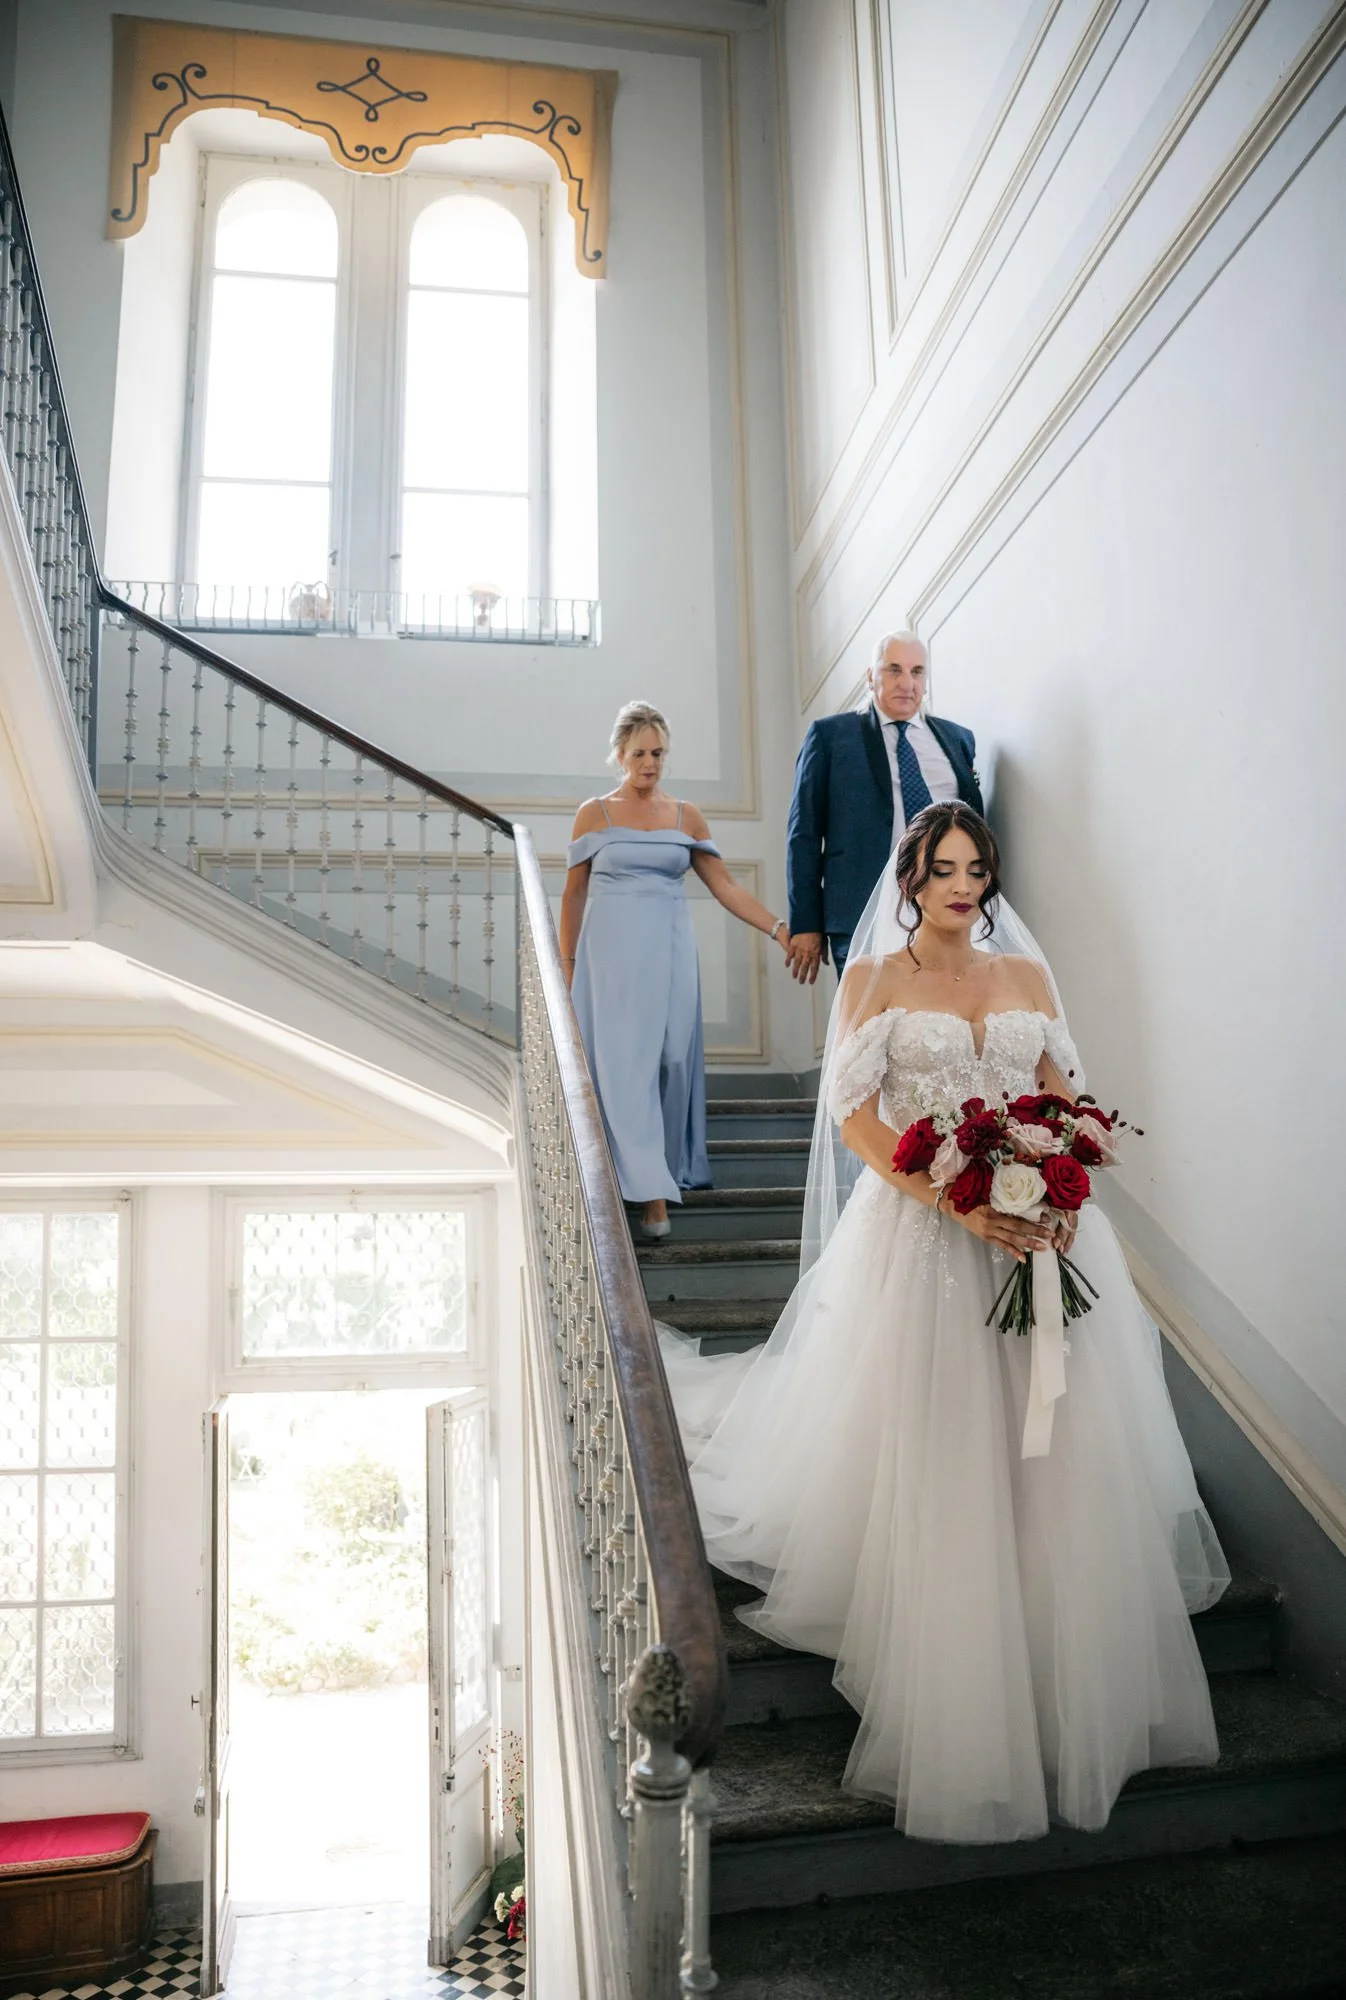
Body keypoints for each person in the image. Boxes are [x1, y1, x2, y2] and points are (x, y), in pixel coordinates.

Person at [660, 802, 1228, 1843]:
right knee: (945, 1442)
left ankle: (1057, 1652)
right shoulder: (875, 979)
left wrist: (1058, 1185)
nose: (963, 886)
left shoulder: (1026, 977)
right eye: (945, 869)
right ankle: (957, 1660)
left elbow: (1063, 1097)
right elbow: (855, 1117)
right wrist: (953, 1201)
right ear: (911, 878)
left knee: (1054, 1448)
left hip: (1037, 1233)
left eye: (977, 869)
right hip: (923, 1237)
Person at [562, 701, 790, 1239]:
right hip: (612, 954)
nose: (650, 763)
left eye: (658, 753)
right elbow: (573, 894)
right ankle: (652, 1196)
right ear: (620, 754)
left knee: (671, 1058)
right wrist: (567, 964)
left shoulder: (687, 816)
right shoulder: (595, 813)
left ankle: (656, 1169)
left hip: (670, 949)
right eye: (639, 753)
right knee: (626, 1066)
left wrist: (778, 927)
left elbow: (726, 886)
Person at [785, 631, 982, 984]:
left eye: (917, 671)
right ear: (870, 676)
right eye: (894, 670)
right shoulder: (831, 737)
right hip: (863, 910)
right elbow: (804, 834)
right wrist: (806, 923)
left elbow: (975, 827)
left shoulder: (958, 739)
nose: (907, 683)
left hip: (948, 905)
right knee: (871, 1013)